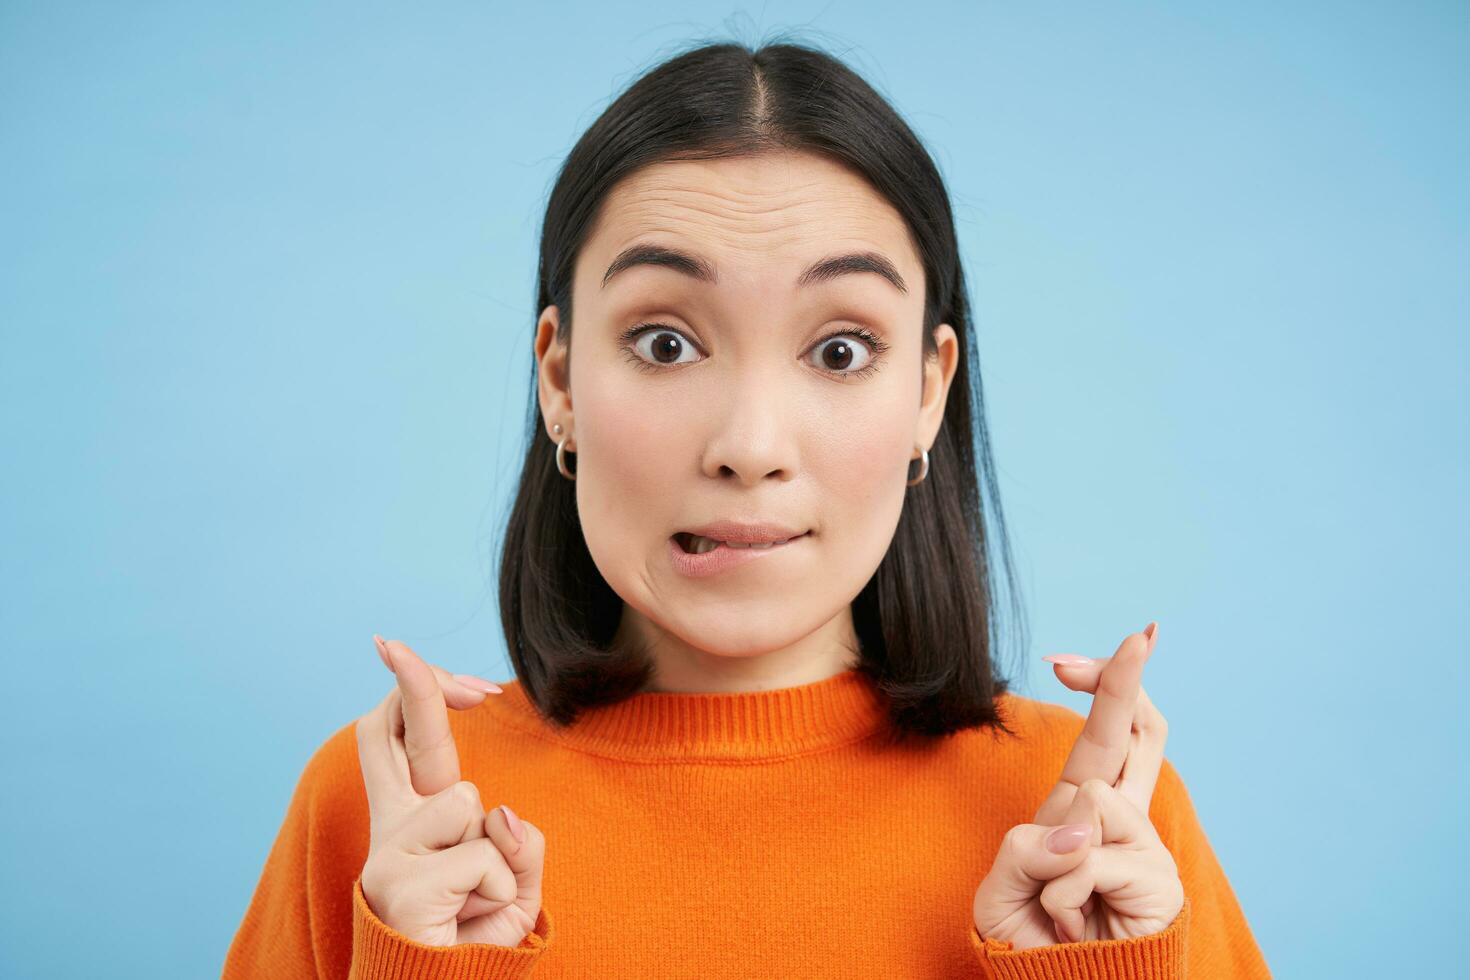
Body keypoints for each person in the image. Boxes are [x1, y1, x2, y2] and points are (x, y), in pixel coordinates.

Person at [223, 38, 1271, 979]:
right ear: (560, 378)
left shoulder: (1103, 836)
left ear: (926, 392)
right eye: (665, 342)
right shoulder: (388, 819)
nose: (750, 447)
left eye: (840, 349)